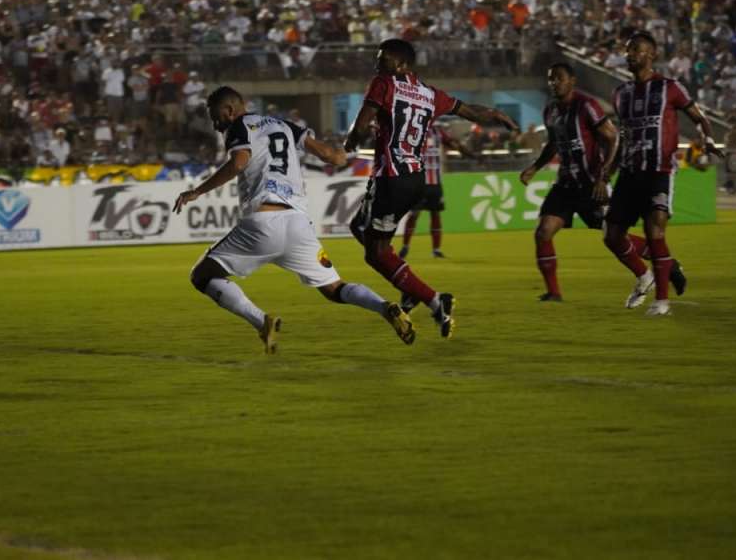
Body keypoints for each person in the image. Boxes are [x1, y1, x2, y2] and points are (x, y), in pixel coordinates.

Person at [174, 86, 415, 354]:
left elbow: (239, 162)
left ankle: (260, 321)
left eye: (216, 116)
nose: (216, 125)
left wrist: (197, 191)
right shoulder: (285, 125)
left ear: (230, 110)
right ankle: (385, 307)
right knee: (335, 289)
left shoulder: (239, 126)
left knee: (201, 274)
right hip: (298, 225)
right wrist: (350, 145)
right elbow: (332, 156)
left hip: (263, 223)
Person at [344, 39, 518, 338]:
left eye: (383, 60)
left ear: (401, 65)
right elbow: (469, 111)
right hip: (415, 179)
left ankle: (435, 301)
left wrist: (351, 142)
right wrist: (494, 113)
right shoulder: (429, 93)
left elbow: (361, 127)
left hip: (391, 178)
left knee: (374, 251)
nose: (378, 65)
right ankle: (410, 289)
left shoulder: (384, 84)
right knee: (362, 229)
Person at [520, 63, 685, 302]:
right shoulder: (550, 111)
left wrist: (603, 176)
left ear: (572, 80)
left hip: (591, 185)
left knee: (614, 234)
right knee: (543, 231)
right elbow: (553, 144)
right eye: (550, 79)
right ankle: (554, 293)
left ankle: (664, 265)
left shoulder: (586, 106)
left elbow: (612, 137)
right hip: (565, 185)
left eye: (559, 78)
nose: (554, 82)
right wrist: (534, 168)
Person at [603, 32, 724, 316]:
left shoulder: (671, 88)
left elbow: (700, 118)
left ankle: (661, 301)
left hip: (659, 170)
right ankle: (655, 272)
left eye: (636, 49)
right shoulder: (621, 93)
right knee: (611, 234)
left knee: (653, 229)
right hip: (630, 173)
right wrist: (606, 171)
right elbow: (622, 137)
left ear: (651, 55)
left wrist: (707, 139)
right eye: (628, 49)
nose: (630, 54)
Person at [398, 120, 478, 259]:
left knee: (435, 214)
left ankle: (436, 250)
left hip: (435, 182)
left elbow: (453, 144)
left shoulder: (437, 131)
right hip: (419, 181)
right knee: (414, 214)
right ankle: (405, 246)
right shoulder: (413, 130)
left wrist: (468, 154)